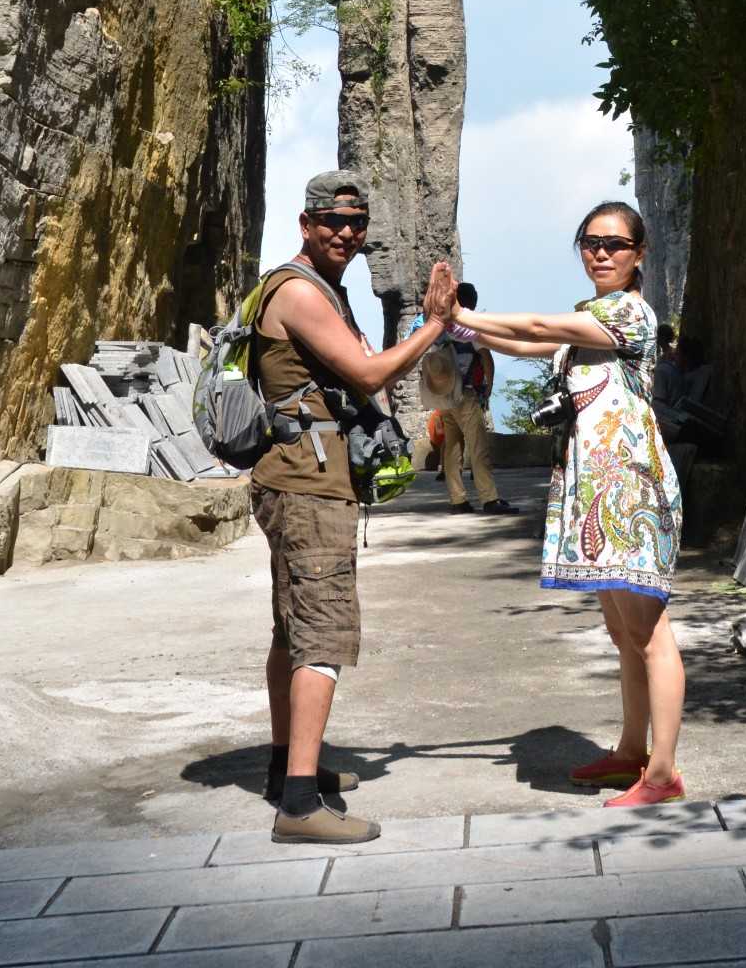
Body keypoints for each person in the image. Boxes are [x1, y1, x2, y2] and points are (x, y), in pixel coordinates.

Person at [430, 201, 686, 806]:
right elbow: (526, 346)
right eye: (591, 242)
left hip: (628, 489)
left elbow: (538, 330)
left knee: (650, 634)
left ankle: (663, 774)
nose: (601, 252)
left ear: (638, 254)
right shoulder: (591, 313)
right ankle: (631, 752)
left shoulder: (631, 313)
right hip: (596, 488)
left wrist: (460, 312)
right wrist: (456, 327)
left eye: (616, 244)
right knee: (625, 634)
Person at [251, 169, 456, 845]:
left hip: (300, 477)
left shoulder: (321, 291)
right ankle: (301, 806)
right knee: (323, 634)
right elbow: (371, 373)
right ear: (305, 224)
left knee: (293, 629)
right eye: (333, 221)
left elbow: (361, 361)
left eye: (357, 223)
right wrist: (435, 325)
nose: (346, 232)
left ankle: (289, 770)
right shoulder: (300, 293)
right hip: (306, 485)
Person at [435, 283, 519, 517]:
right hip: (466, 393)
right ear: (471, 302)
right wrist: (489, 386)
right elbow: (485, 354)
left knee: (451, 449)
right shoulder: (467, 323)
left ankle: (457, 500)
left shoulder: (441, 327)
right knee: (478, 446)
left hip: (445, 395)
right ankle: (489, 498)